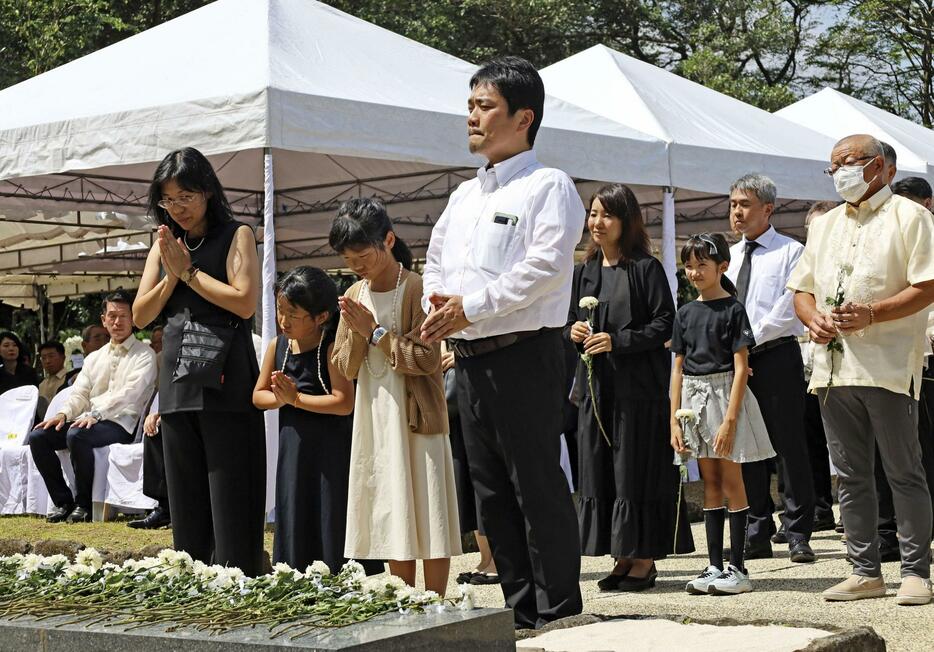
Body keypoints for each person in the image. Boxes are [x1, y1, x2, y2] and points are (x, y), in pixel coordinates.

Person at [420, 56, 584, 629]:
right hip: (468, 359)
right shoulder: (464, 195)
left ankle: (558, 608)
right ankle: (519, 611)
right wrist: (437, 304)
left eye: (484, 106)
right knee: (490, 492)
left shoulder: (549, 186)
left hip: (525, 353)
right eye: (470, 105)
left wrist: (473, 307)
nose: (472, 117)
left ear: (523, 117)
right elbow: (436, 259)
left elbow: (543, 265)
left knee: (535, 484)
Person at [789, 134, 934, 606]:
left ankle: (915, 571)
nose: (842, 172)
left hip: (887, 364)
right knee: (850, 476)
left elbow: (928, 285)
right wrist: (814, 320)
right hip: (832, 367)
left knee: (903, 470)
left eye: (851, 162)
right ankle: (864, 571)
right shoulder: (824, 224)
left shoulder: (911, 217)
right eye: (834, 165)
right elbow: (802, 290)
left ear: (883, 168)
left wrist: (873, 313)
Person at [133, 147, 266, 576]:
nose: (177, 208)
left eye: (185, 196)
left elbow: (245, 302)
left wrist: (190, 273)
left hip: (225, 376)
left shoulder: (236, 233)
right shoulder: (164, 243)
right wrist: (172, 273)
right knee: (186, 495)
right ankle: (191, 582)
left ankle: (239, 576)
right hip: (177, 378)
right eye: (168, 200)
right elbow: (141, 315)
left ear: (207, 191)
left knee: (229, 491)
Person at [329, 198, 460, 596]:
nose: (356, 265)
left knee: (429, 509)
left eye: (363, 255)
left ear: (388, 240)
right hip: (374, 416)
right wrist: (355, 330)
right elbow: (344, 367)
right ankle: (406, 604)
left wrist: (375, 332)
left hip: (418, 416)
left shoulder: (418, 289)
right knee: (391, 507)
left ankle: (437, 603)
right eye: (348, 258)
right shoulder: (354, 292)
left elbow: (426, 359)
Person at [565, 183, 692, 593]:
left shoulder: (645, 268)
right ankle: (621, 554)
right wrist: (576, 330)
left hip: (636, 390)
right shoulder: (583, 271)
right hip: (595, 390)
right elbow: (566, 319)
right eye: (593, 214)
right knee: (602, 472)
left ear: (625, 221)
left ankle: (644, 558)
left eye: (606, 215)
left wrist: (617, 340)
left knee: (633, 469)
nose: (596, 223)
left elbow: (663, 324)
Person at [253, 266, 380, 575]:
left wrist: (296, 400)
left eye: (292, 315)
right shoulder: (277, 346)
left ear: (320, 317)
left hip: (331, 448)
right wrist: (282, 399)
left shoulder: (331, 347)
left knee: (331, 508)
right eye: (280, 311)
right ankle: (296, 574)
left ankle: (341, 575)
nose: (283, 321)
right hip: (293, 447)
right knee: (296, 504)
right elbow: (258, 396)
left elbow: (344, 402)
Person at [671, 234, 775, 595]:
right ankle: (714, 565)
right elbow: (678, 368)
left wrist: (731, 419)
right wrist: (674, 419)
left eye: (702, 264)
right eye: (689, 265)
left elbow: (742, 365)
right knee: (710, 481)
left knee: (732, 481)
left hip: (725, 396)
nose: (695, 272)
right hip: (693, 400)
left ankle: (738, 567)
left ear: (722, 267)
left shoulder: (733, 309)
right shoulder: (684, 313)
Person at [725, 174, 816, 563]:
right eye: (732, 204)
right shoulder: (727, 256)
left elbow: (788, 306)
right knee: (747, 448)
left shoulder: (790, 251)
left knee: (788, 445)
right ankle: (755, 530)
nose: (736, 212)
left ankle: (797, 532)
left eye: (744, 204)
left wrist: (749, 338)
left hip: (775, 354)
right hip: (737, 362)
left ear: (767, 208)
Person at [27, 292, 157, 524]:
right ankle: (63, 502)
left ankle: (83, 504)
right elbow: (80, 392)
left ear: (134, 318)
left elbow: (129, 394)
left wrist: (97, 414)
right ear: (104, 320)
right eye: (112, 316)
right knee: (38, 436)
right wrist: (62, 414)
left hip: (123, 424)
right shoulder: (93, 358)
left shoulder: (145, 355)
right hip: (90, 421)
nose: (117, 322)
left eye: (123, 316)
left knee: (77, 435)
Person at [870, 176, 934, 559]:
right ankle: (889, 533)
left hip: (925, 352)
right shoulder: (886, 241)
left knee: (922, 450)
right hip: (898, 357)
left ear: (928, 204)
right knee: (892, 450)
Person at [799, 201, 840, 533]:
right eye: (811, 229)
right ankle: (820, 508)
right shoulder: (805, 263)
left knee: (846, 442)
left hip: (842, 367)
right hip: (808, 368)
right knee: (811, 441)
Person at [128, 327, 170, 530]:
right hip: (180, 409)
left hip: (210, 410)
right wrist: (159, 413)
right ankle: (164, 509)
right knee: (155, 430)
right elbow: (172, 389)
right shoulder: (169, 358)